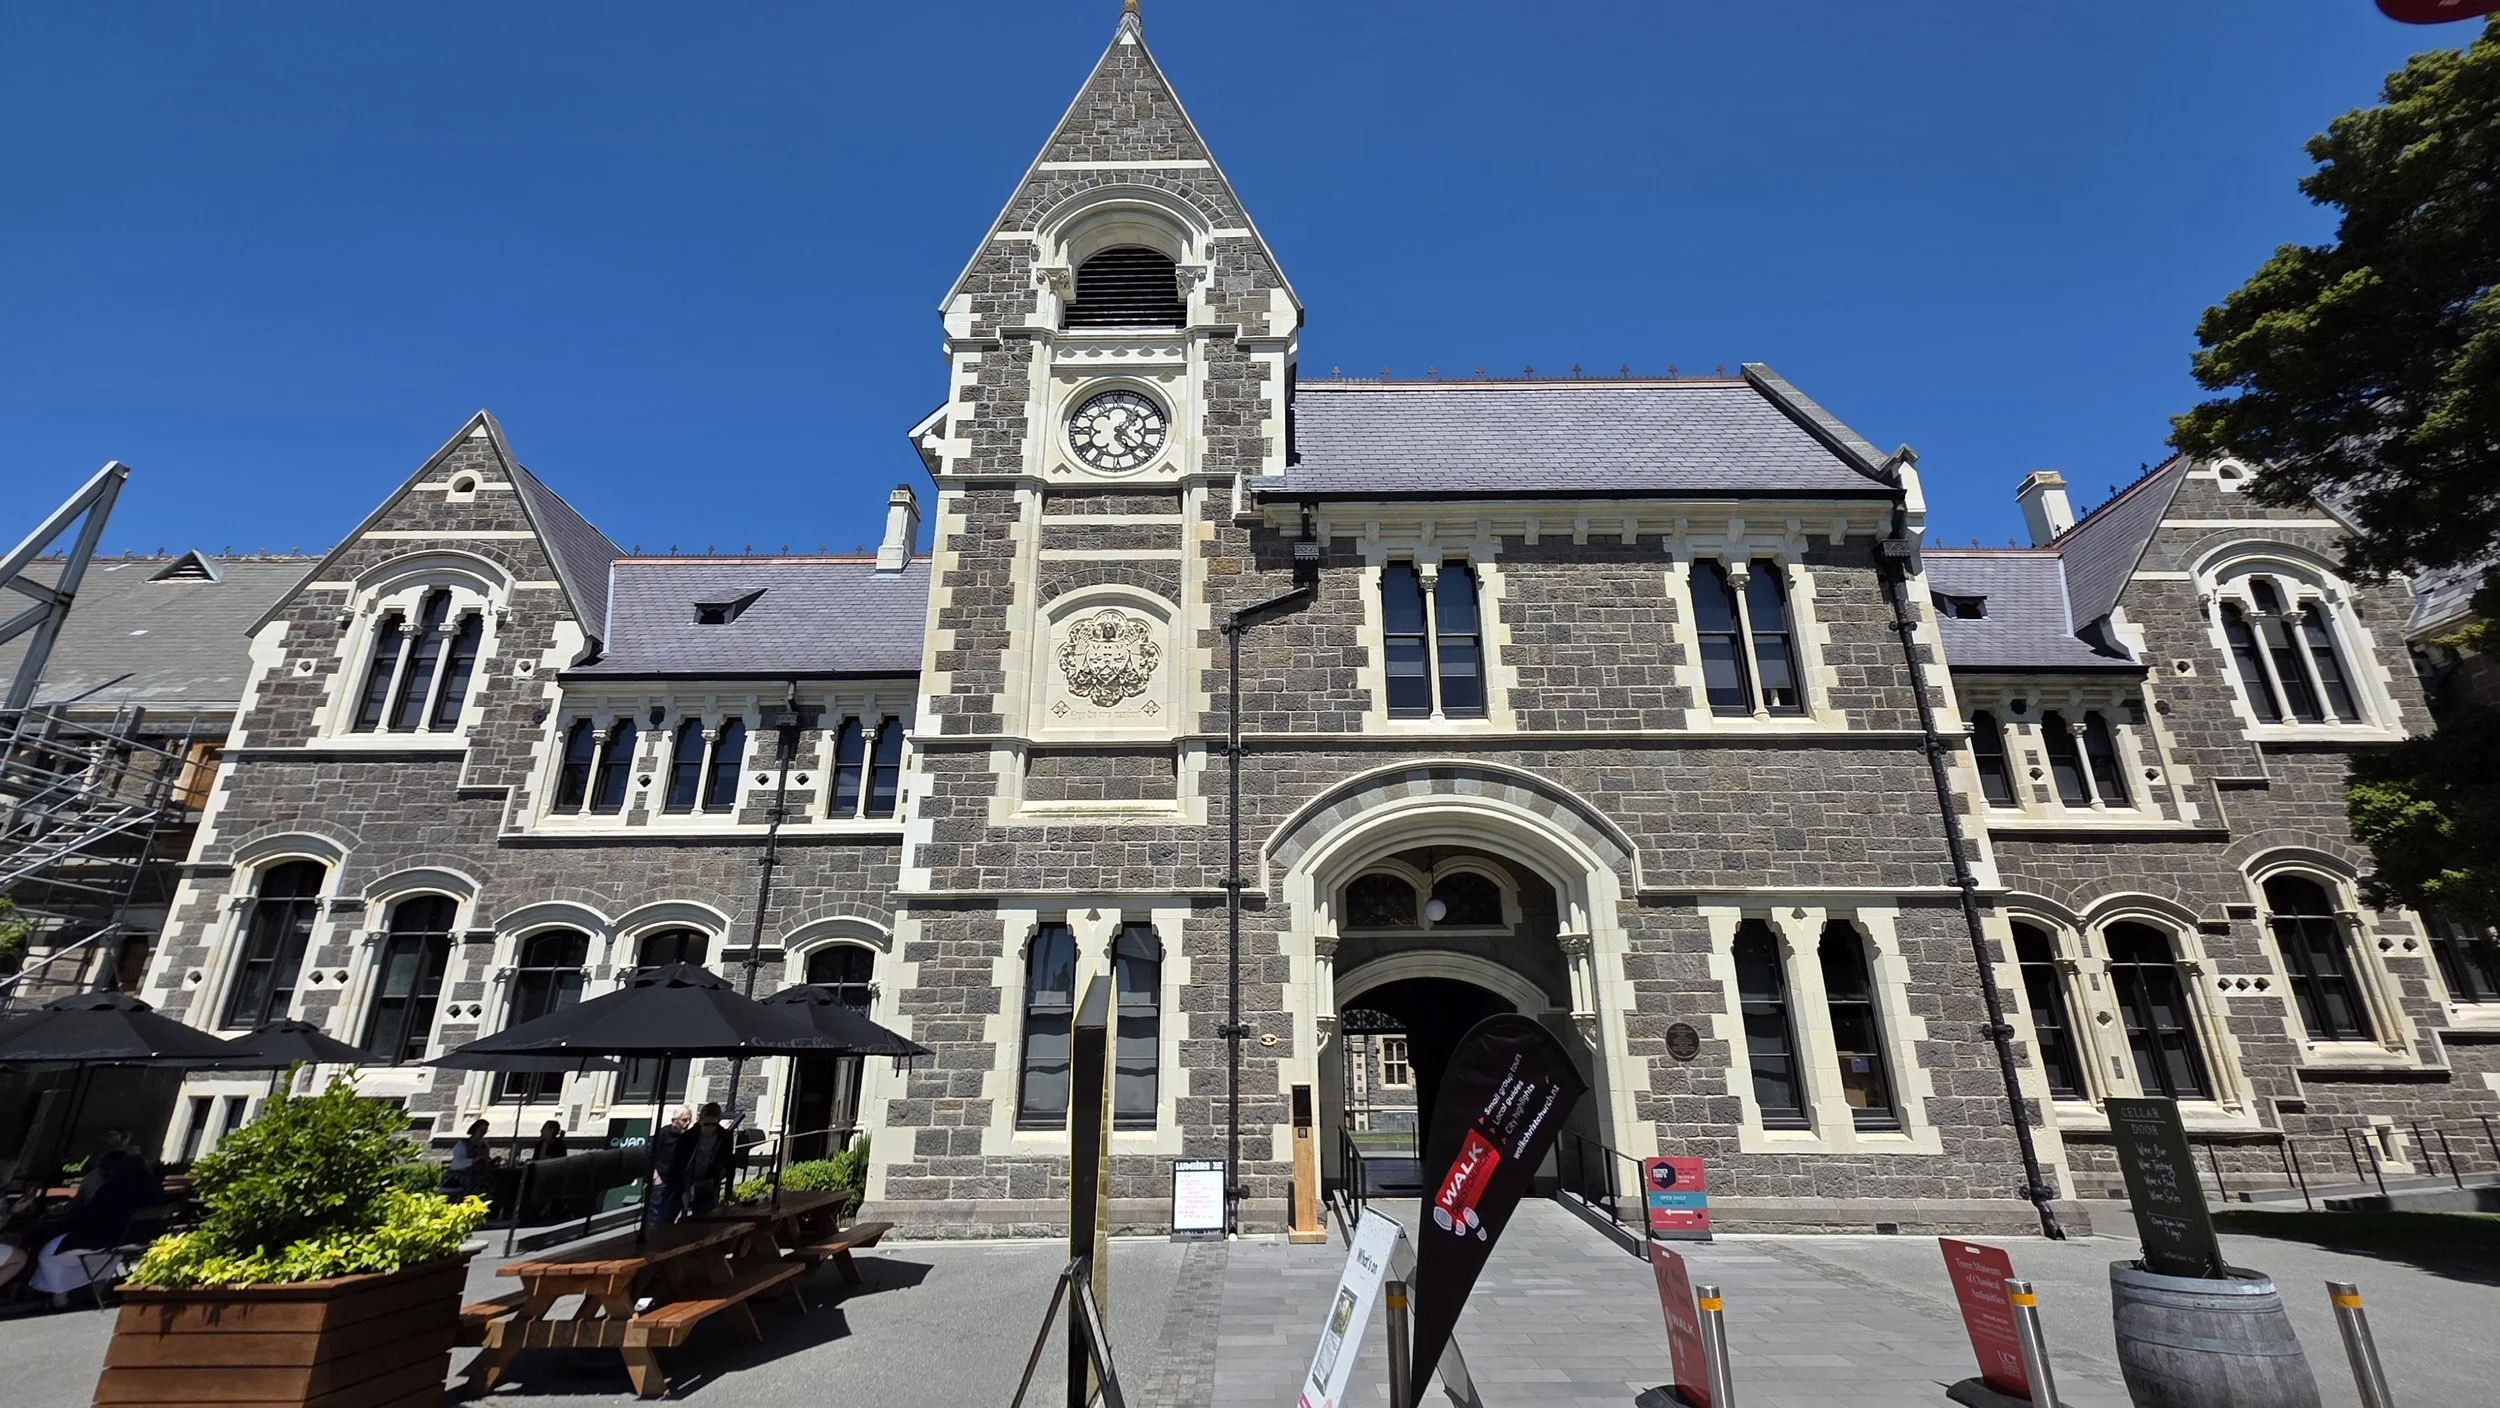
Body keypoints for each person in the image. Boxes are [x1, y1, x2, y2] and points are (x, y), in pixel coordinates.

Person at [27, 1131, 161, 1308]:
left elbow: (88, 1215)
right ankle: (96, 1292)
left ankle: (60, 1299)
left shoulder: (112, 1188)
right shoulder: (155, 1188)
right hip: (134, 1238)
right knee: (107, 1256)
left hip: (104, 1238)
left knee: (47, 1253)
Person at [644, 1106, 695, 1228]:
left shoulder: (688, 1137)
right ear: (674, 1120)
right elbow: (649, 1154)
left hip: (678, 1183)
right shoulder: (663, 1133)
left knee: (670, 1215)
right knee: (655, 1216)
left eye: (689, 1120)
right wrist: (655, 1177)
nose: (687, 1123)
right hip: (662, 1180)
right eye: (684, 1120)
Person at [682, 1103, 729, 1217]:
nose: (709, 1128)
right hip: (688, 1179)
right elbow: (680, 1161)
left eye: (713, 1124)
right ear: (700, 1121)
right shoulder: (689, 1136)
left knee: (706, 1215)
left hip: (709, 1182)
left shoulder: (724, 1136)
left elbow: (728, 1161)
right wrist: (685, 1188)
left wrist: (728, 1190)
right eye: (706, 1124)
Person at [444, 1119, 497, 1198]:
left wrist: (492, 1161)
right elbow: (457, 1164)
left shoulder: (484, 1144)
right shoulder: (462, 1144)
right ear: (475, 1130)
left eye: (485, 1131)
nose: (483, 1133)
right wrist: (474, 1160)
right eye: (481, 1130)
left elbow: (486, 1160)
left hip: (480, 1177)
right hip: (462, 1177)